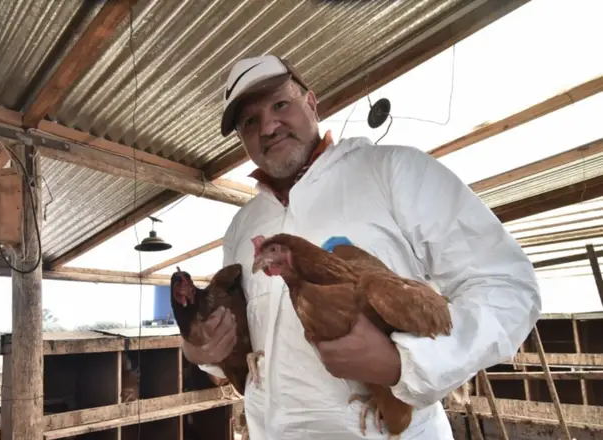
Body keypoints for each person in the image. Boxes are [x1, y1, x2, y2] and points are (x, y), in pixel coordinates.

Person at [180, 54, 542, 439]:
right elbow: (244, 348)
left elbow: (508, 288)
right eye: (250, 122)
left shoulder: (392, 171)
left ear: (311, 103)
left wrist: (404, 364)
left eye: (280, 104)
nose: (268, 126)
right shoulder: (243, 226)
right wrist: (202, 352)